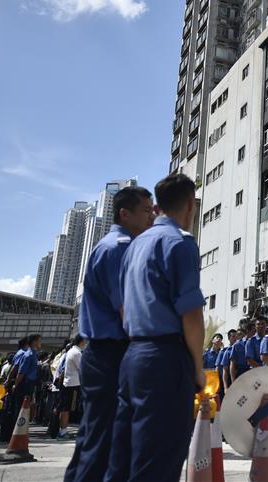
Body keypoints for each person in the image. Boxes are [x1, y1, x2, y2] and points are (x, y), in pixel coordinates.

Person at [105, 174, 206, 481]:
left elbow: (122, 307)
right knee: (159, 461)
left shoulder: (134, 245)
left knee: (122, 457)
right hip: (165, 358)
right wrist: (198, 369)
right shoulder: (180, 243)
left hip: (132, 356)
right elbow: (191, 314)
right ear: (190, 205)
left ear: (158, 206)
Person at [64, 184, 154, 482]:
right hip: (112, 353)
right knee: (105, 443)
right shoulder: (121, 248)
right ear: (124, 213)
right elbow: (128, 310)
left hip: (104, 352)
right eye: (145, 210)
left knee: (93, 439)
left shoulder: (111, 244)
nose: (152, 216)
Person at [57, 334, 86, 439]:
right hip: (73, 384)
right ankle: (63, 432)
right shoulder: (77, 353)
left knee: (65, 408)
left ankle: (62, 431)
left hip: (68, 383)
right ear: (81, 341)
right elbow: (82, 369)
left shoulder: (71, 351)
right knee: (67, 409)